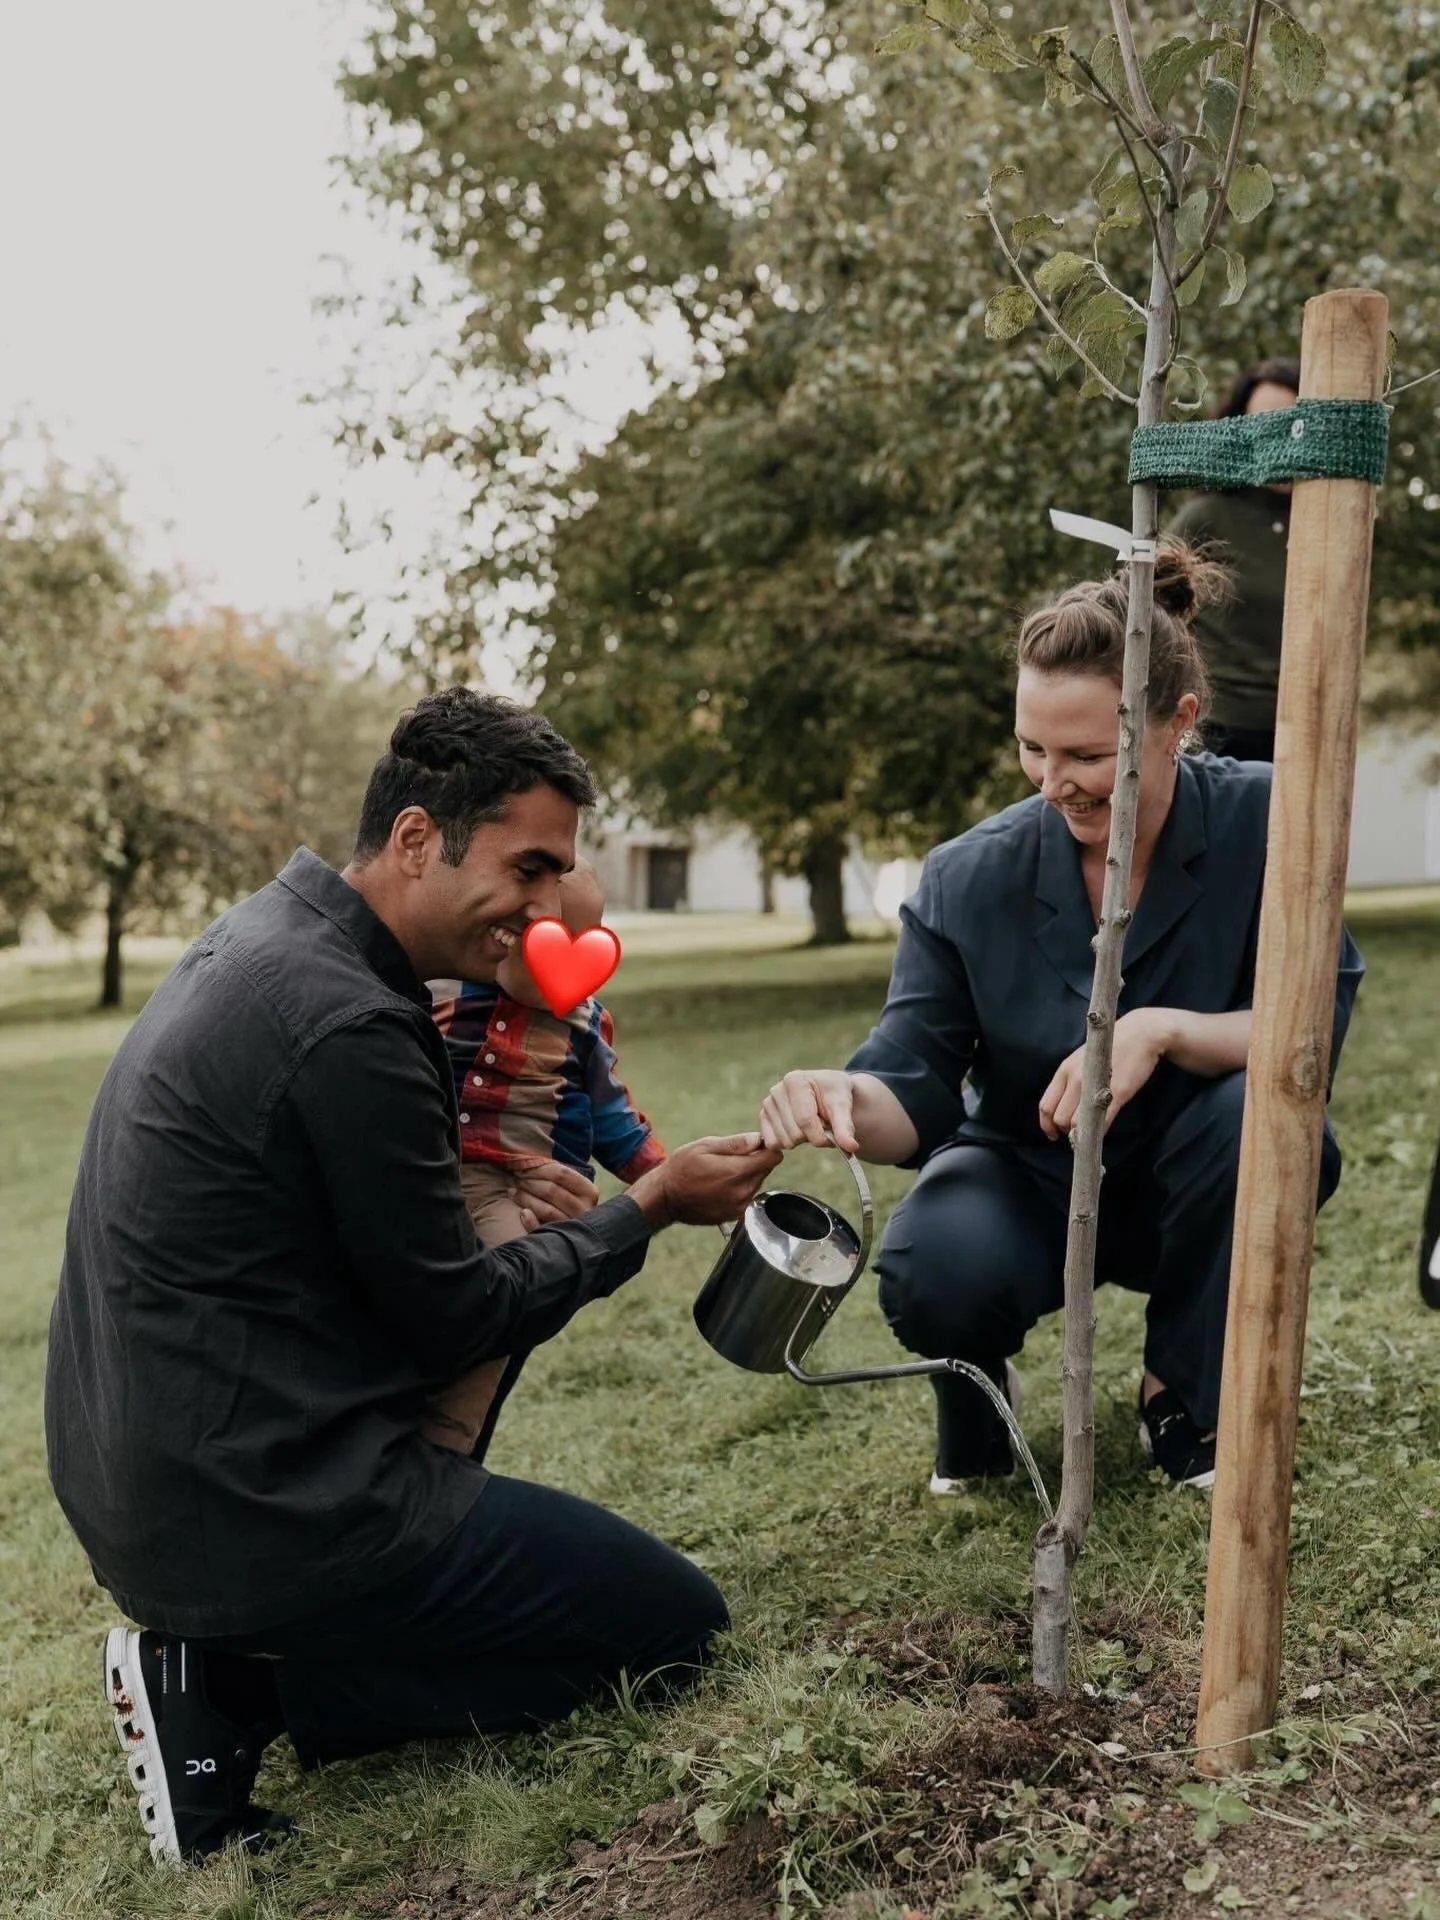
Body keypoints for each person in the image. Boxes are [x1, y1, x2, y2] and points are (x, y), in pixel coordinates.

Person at [45, 689, 780, 1867]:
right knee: (675, 1631)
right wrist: (645, 1208)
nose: (549, 909)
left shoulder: (265, 942)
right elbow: (453, 1318)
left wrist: (531, 1230)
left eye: (562, 878)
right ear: (416, 840)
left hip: (159, 1485)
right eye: (529, 868)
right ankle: (234, 1689)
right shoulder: (349, 1020)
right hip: (272, 1506)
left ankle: (238, 1672)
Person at [760, 544, 1363, 1500]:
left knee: (1264, 1123)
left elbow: (1307, 1037)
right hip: (1027, 1174)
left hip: (1200, 1166)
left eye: (1088, 754)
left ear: (1179, 725)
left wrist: (1157, 1028)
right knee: (935, 1267)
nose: (1053, 782)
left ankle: (1181, 1395)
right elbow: (912, 1083)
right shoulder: (966, 874)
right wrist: (842, 1094)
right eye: (1031, 747)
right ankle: (978, 1397)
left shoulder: (1272, 819)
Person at [423, 860, 667, 1452]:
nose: (565, 960)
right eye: (545, 940)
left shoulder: (582, 1023)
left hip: (518, 1184)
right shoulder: (445, 989)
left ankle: (451, 1440)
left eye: (583, 941)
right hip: (436, 1169)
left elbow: (616, 1123)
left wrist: (668, 1174)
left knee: (506, 1290)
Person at [1168, 355, 1301, 761]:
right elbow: (1140, 611)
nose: (1275, 435)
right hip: (1215, 734)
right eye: (1262, 421)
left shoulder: (1326, 525)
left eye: (1289, 422)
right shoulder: (1207, 516)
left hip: (1300, 733)